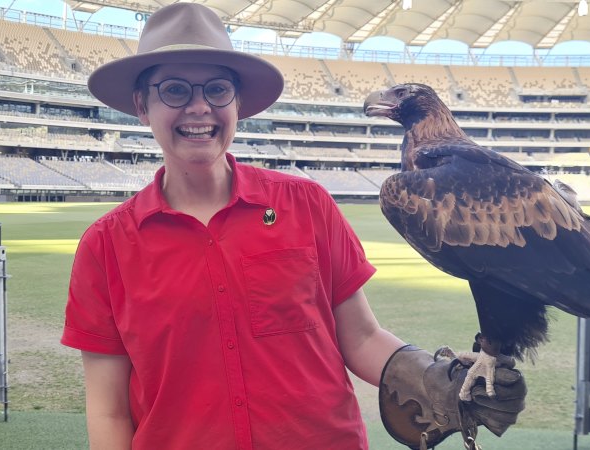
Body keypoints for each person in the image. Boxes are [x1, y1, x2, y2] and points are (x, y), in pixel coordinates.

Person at [61, 4, 526, 449]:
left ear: (238, 103)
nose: (199, 108)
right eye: (175, 91)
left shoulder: (308, 205)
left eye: (217, 90)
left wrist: (432, 378)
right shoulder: (104, 247)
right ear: (142, 106)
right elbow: (109, 411)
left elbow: (360, 337)